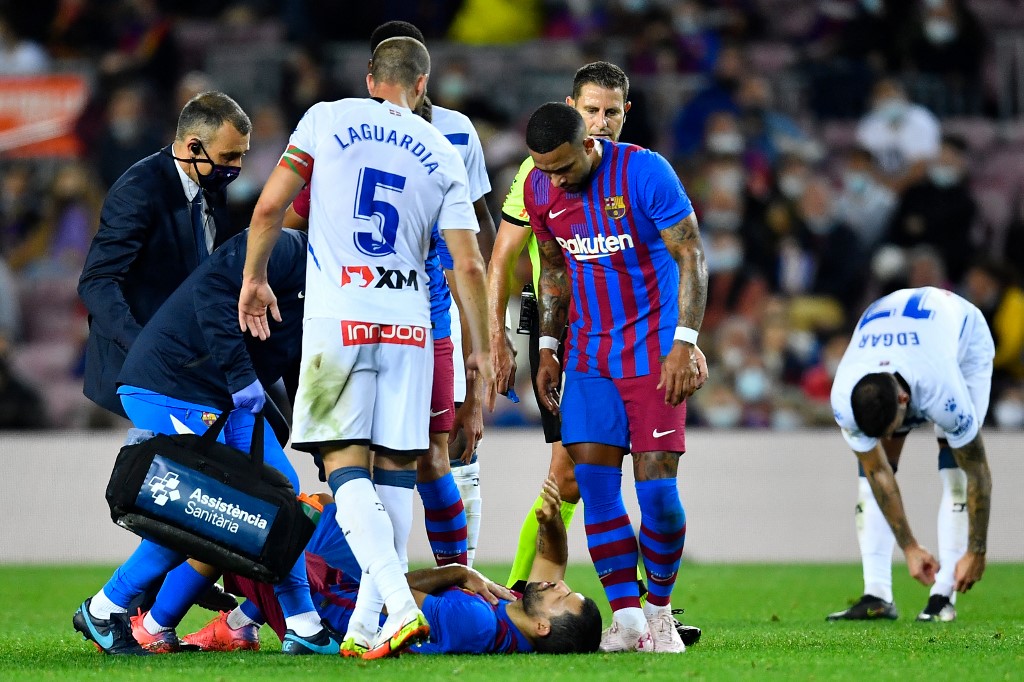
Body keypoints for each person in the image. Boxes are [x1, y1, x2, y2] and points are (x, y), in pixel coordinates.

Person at [237, 37, 492, 659]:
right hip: (411, 328)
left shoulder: (326, 119)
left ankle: (400, 608)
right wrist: (479, 354)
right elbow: (469, 263)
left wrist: (254, 279)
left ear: (371, 78)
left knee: (341, 465)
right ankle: (364, 628)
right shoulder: (442, 148)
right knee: (398, 474)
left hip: (338, 325)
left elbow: (270, 206)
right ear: (422, 83)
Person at [72, 228, 340, 656]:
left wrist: (320, 442)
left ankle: (304, 626)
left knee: (284, 503)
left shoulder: (343, 277)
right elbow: (213, 290)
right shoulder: (285, 248)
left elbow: (303, 362)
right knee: (196, 512)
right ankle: (106, 608)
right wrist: (241, 379)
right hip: (172, 383)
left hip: (224, 395)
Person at [526, 102, 708, 653]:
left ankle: (659, 614)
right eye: (544, 169)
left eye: (562, 167)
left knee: (658, 495)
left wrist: (686, 342)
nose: (553, 179)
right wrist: (549, 346)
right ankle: (626, 621)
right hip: (587, 358)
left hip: (653, 355)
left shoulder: (644, 172)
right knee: (597, 492)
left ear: (588, 145)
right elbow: (554, 267)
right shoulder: (540, 189)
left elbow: (691, 255)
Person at [186, 477, 602, 655]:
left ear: (544, 627)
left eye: (561, 597)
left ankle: (148, 618)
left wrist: (459, 572)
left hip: (329, 607)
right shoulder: (516, 609)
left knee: (237, 523)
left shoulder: (475, 621)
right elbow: (553, 559)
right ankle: (240, 620)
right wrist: (550, 521)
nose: (555, 586)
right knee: (328, 508)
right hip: (348, 581)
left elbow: (391, 589)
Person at [78, 91, 250, 420]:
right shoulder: (138, 191)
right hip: (142, 371)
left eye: (241, 156)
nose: (236, 167)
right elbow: (96, 282)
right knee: (171, 463)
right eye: (229, 156)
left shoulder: (210, 182)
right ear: (193, 147)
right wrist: (143, 346)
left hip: (195, 359)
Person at [828, 287, 994, 623]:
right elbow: (878, 472)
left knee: (956, 471)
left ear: (905, 400)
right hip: (903, 334)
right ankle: (877, 596)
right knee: (874, 467)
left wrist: (977, 551)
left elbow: (978, 472)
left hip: (964, 342)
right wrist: (910, 546)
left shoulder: (943, 390)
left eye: (891, 428)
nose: (890, 437)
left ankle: (942, 597)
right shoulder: (844, 395)